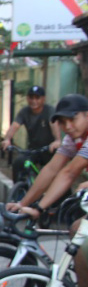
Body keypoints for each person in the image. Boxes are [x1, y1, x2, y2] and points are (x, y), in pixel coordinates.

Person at [6, 94, 88, 225]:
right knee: (77, 231)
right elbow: (51, 169)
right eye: (62, 122)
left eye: (73, 119)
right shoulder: (72, 139)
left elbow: (69, 173)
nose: (68, 126)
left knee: (79, 231)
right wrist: (22, 204)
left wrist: (38, 208)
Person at [0, 85, 62, 178]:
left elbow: (54, 124)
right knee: (18, 163)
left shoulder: (49, 110)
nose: (34, 101)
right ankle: (19, 190)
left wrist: (57, 140)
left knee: (56, 174)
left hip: (49, 150)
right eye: (31, 98)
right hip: (33, 150)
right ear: (27, 98)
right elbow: (15, 125)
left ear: (43, 99)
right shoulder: (24, 112)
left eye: (37, 98)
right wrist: (7, 139)